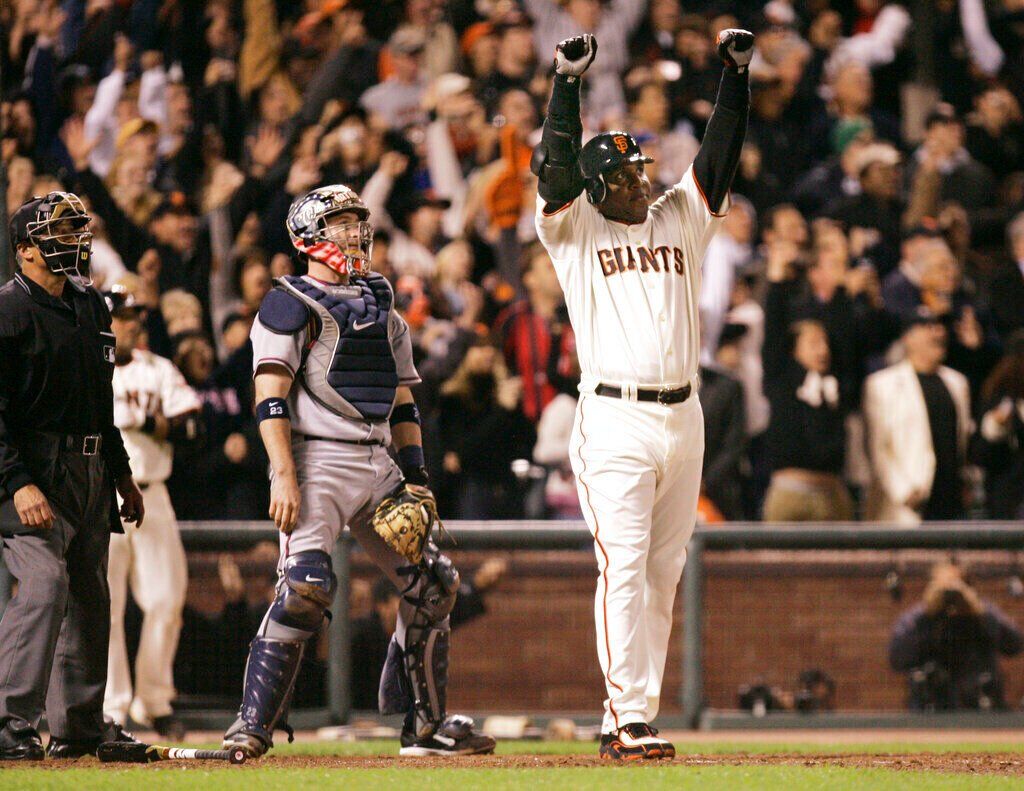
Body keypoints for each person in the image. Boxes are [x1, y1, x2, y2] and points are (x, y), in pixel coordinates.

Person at [532, 31, 751, 759]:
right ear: (597, 187)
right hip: (616, 415)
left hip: (682, 414)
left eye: (641, 169)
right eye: (627, 173)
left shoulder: (678, 219)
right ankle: (628, 714)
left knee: (663, 572)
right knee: (622, 563)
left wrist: (735, 76)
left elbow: (717, 158)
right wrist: (566, 82)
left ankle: (629, 710)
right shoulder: (574, 228)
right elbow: (555, 162)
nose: (643, 181)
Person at [221, 184, 494, 759]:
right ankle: (249, 727)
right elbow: (269, 396)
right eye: (341, 223)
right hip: (315, 460)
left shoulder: (381, 300)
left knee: (435, 585)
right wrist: (282, 474)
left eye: (356, 222)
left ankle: (424, 727)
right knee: (304, 589)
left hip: (377, 461)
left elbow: (401, 401)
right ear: (309, 237)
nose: (354, 233)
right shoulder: (288, 301)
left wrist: (416, 475)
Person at [0, 193, 145, 760]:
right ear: (25, 250)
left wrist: (122, 475)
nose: (76, 239)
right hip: (30, 465)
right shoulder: (8, 311)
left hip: (88, 467)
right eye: (60, 231)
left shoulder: (91, 305)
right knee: (43, 586)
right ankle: (10, 724)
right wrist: (16, 481)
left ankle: (78, 728)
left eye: (76, 228)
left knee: (90, 595)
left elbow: (98, 402)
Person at [103, 286, 203, 739]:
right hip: (102, 494)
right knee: (105, 607)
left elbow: (190, 421)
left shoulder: (157, 368)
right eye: (123, 316)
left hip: (153, 492)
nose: (132, 323)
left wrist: (147, 422)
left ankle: (155, 701)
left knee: (166, 600)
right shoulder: (90, 367)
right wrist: (154, 423)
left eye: (135, 316)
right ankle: (111, 708)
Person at [863, 317, 972, 524]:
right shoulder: (882, 385)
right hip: (909, 501)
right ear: (908, 338)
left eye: (940, 327)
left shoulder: (957, 383)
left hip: (950, 498)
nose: (938, 332)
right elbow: (878, 447)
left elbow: (961, 439)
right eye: (927, 327)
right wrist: (903, 491)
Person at [889, 562, 1023, 711]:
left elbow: (1015, 645)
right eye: (943, 588)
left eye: (956, 585)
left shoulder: (982, 611)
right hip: (930, 708)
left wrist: (978, 610)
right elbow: (897, 658)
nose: (950, 595)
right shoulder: (919, 617)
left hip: (981, 708)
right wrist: (927, 614)